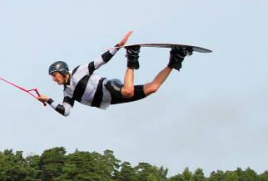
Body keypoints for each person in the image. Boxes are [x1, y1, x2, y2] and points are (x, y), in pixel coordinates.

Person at [36, 31, 192, 117]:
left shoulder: (78, 71)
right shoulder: (67, 93)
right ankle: (175, 59)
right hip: (112, 100)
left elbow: (100, 60)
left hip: (108, 87)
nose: (53, 79)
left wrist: (118, 46)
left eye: (54, 75)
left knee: (128, 90)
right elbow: (66, 112)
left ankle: (132, 55)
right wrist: (49, 100)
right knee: (153, 88)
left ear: (63, 72)